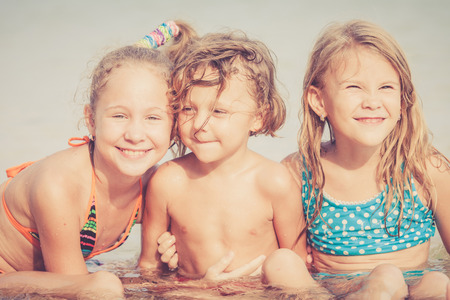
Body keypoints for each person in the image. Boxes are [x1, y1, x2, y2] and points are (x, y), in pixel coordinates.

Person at [0, 21, 191, 299]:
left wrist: (175, 253)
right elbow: (77, 285)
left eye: (152, 118)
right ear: (91, 120)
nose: (135, 134)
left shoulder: (155, 185)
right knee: (104, 285)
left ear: (173, 126)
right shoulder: (59, 185)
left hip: (42, 276)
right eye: (119, 116)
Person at [261, 20, 450, 299]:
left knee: (432, 282)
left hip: (412, 289)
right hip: (331, 292)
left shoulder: (424, 168)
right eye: (354, 87)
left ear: (402, 100)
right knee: (280, 263)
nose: (372, 101)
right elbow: (289, 256)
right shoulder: (299, 173)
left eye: (386, 87)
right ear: (319, 101)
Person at [138, 29, 308, 279]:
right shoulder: (168, 181)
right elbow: (148, 269)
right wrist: (185, 281)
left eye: (218, 112)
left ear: (259, 117)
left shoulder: (274, 183)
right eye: (188, 109)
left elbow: (298, 268)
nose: (199, 125)